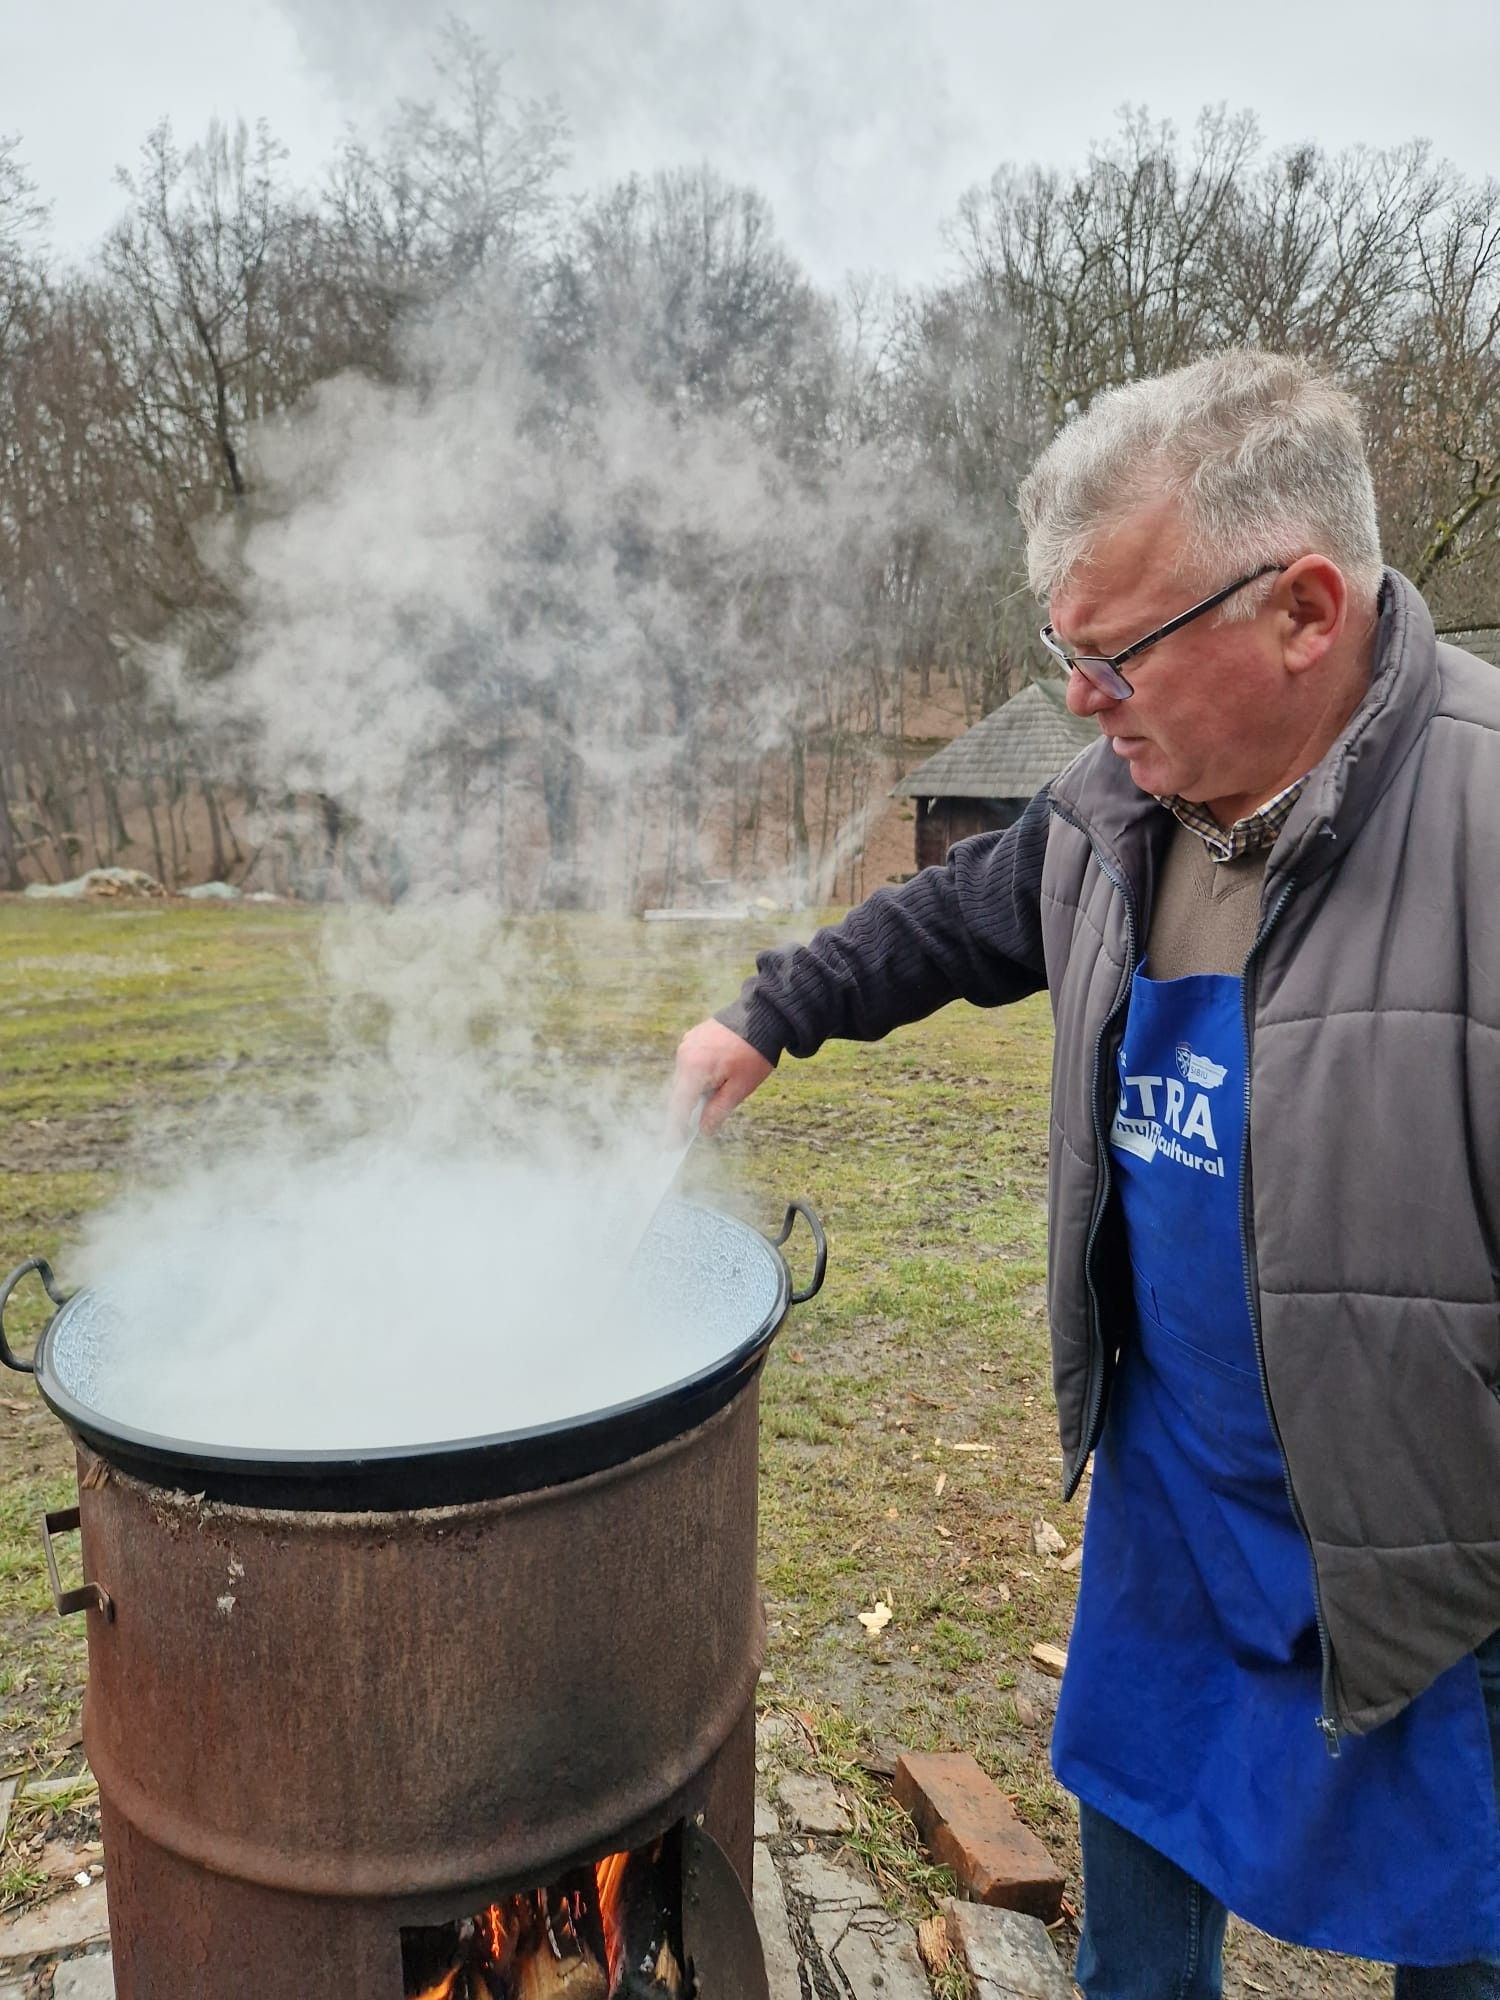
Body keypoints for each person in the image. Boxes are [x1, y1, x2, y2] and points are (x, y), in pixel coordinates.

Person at [670, 349, 1500, 1996]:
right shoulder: (1125, 811)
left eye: (1111, 653)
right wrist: (765, 1015)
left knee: (1461, 1944)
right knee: (1137, 1900)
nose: (1075, 697)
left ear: (1305, 613)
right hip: (1176, 1499)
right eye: (1067, 650)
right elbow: (963, 913)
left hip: (1434, 1550)